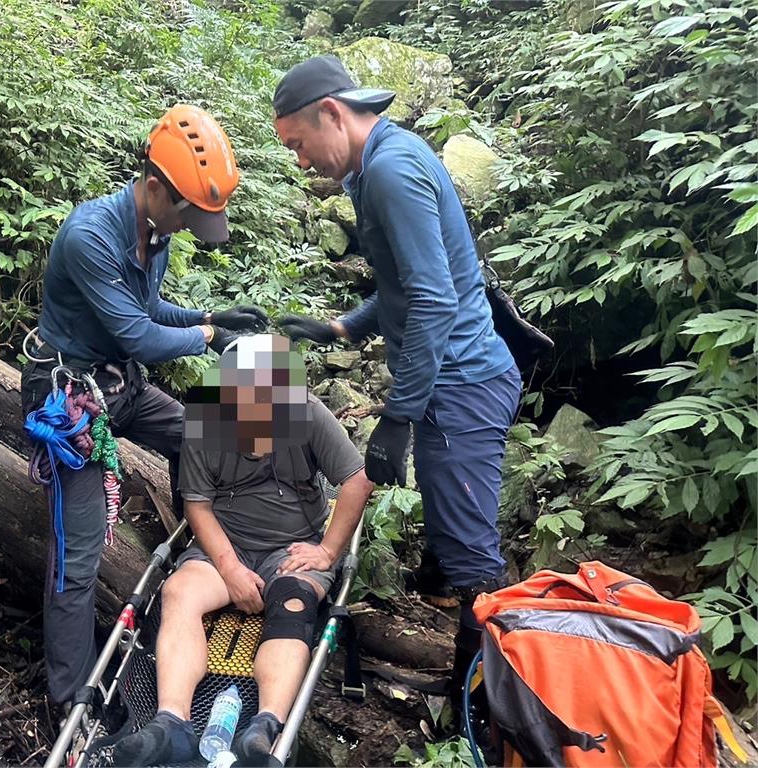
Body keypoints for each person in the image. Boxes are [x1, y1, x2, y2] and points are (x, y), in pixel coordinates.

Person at [270, 55, 523, 712]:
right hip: (452, 383)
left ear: (331, 113)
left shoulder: (390, 170)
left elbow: (437, 300)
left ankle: (481, 717)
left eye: (298, 144)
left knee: (477, 570)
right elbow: (402, 284)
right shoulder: (373, 166)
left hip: (462, 387)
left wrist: (400, 415)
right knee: (457, 549)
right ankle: (473, 679)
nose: (300, 162)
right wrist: (342, 329)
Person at [21, 104, 269, 707]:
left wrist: (209, 317)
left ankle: (195, 548)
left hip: (119, 385)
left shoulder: (154, 231)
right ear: (154, 187)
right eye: (189, 213)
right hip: (70, 402)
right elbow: (139, 335)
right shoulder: (90, 237)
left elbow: (150, 312)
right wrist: (210, 339)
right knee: (78, 561)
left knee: (198, 436)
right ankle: (69, 699)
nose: (189, 227)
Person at [112, 334, 374, 766]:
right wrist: (230, 568)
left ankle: (264, 726)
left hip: (291, 547)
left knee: (293, 602)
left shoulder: (305, 413)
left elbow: (358, 479)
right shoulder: (206, 420)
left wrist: (327, 551)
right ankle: (171, 722)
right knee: (178, 593)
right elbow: (197, 505)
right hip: (224, 545)